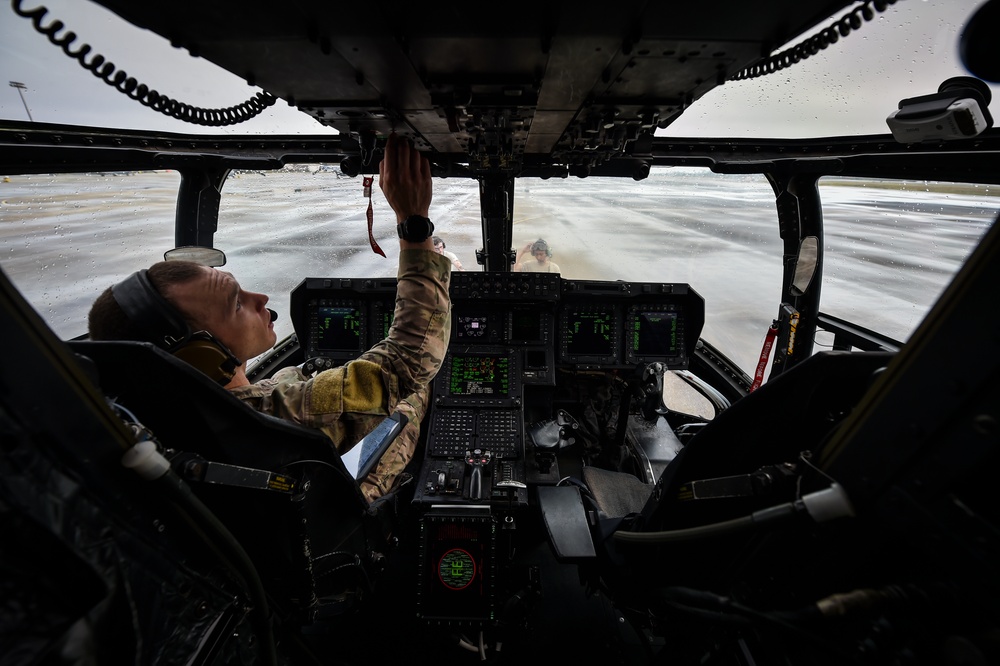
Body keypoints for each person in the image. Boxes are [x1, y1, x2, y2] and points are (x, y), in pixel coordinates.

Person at [87, 134, 451, 501]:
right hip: (345, 515)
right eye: (236, 305)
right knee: (411, 395)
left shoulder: (147, 418)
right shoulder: (274, 417)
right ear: (202, 355)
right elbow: (409, 358)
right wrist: (412, 222)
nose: (260, 298)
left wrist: (302, 373)